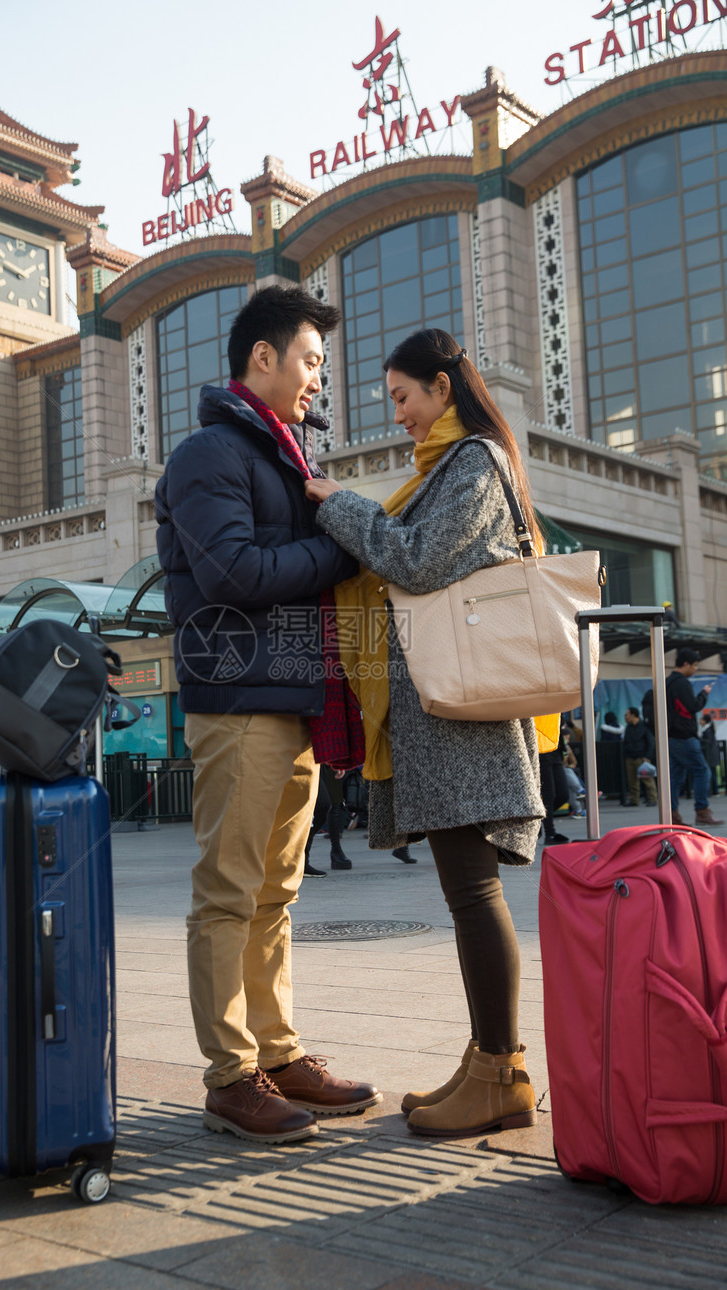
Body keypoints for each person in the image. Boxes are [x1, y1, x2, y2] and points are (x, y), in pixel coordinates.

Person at [155, 284, 380, 1144]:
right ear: (263, 358)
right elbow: (234, 576)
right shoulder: (209, 454)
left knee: (275, 896)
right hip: (239, 698)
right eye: (311, 361)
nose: (319, 379)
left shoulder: (279, 454)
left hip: (292, 696)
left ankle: (277, 1054)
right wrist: (337, 540)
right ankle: (230, 1076)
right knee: (228, 892)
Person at [305, 327, 542, 1139]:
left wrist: (339, 506)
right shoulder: (448, 467)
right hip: (444, 715)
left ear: (444, 388)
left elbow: (414, 561)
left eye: (404, 397)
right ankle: (488, 1064)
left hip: (462, 712)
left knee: (475, 894)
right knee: (465, 892)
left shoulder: (475, 462)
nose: (399, 414)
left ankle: (504, 1072)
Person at [667, 648, 723, 827]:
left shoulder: (667, 682)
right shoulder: (681, 683)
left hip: (672, 736)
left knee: (675, 777)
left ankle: (672, 815)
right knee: (702, 771)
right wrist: (704, 694)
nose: (696, 669)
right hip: (684, 736)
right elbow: (691, 706)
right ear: (685, 664)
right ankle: (702, 811)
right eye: (695, 665)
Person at [303, 765, 353, 876]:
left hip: (324, 756)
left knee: (332, 803)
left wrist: (336, 760)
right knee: (322, 803)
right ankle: (299, 856)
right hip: (302, 756)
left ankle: (303, 857)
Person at [622, 707, 657, 807]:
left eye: (627, 715)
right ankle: (634, 800)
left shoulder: (644, 727)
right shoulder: (628, 727)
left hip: (641, 757)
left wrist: (647, 756)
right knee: (632, 781)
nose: (625, 717)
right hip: (630, 757)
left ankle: (652, 799)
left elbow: (651, 742)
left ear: (633, 715)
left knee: (647, 780)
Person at [700, 714, 720, 797]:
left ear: (705, 721)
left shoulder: (707, 730)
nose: (700, 721)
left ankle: (714, 791)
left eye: (701, 720)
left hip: (710, 755)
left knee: (711, 773)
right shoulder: (709, 729)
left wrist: (700, 740)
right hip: (712, 755)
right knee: (713, 773)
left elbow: (708, 742)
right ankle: (715, 790)